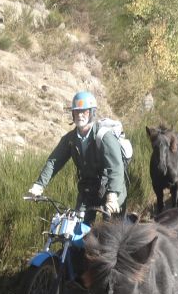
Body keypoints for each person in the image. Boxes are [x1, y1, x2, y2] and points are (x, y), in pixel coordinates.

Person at [27, 91, 127, 224]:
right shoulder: (70, 139)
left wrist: (113, 195)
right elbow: (53, 162)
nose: (80, 115)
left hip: (110, 187)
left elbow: (116, 167)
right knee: (76, 228)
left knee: (111, 233)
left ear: (92, 113)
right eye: (76, 111)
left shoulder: (104, 136)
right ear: (72, 114)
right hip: (88, 189)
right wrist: (39, 185)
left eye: (84, 111)